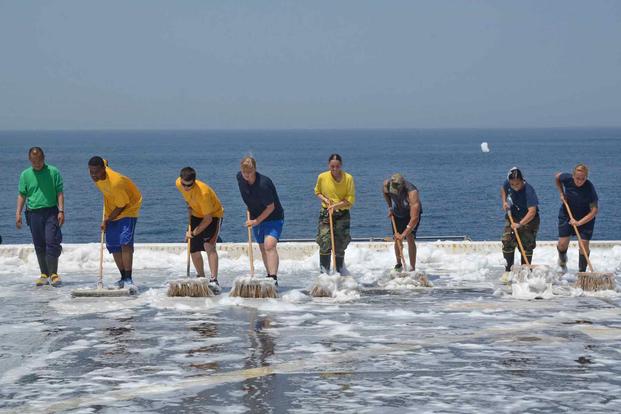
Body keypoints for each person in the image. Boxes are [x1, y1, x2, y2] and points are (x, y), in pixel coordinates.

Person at [88, 157, 142, 288]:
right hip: (113, 208)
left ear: (103, 170)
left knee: (125, 242)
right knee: (113, 245)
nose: (93, 175)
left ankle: (129, 279)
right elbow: (104, 160)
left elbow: (122, 205)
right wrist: (108, 216)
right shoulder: (99, 174)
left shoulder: (115, 182)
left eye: (96, 172)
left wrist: (107, 219)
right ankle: (123, 277)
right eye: (91, 171)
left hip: (128, 208)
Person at [16, 147, 64, 286]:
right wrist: (18, 213)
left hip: (51, 212)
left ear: (44, 158)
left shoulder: (53, 172)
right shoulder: (25, 175)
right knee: (39, 244)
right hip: (33, 213)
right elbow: (22, 195)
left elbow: (59, 192)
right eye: (34, 161)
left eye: (39, 160)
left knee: (52, 241)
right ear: (30, 160)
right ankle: (44, 273)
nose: (37, 163)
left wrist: (61, 211)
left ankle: (53, 273)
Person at [237, 156, 284, 286]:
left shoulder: (264, 184)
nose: (246, 175)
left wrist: (256, 221)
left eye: (250, 172)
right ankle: (269, 275)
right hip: (255, 216)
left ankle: (273, 278)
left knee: (270, 245)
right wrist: (250, 205)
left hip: (273, 216)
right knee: (263, 248)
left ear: (255, 170)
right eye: (244, 172)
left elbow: (271, 207)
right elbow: (247, 193)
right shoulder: (239, 178)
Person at [176, 167, 224, 285]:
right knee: (193, 248)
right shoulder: (178, 183)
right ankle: (201, 277)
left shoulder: (203, 193)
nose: (186, 188)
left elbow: (208, 219)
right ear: (181, 180)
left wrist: (193, 233)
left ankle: (213, 280)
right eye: (184, 185)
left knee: (209, 246)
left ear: (194, 181)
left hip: (213, 215)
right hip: (196, 213)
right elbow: (186, 195)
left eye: (189, 185)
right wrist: (189, 203)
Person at [314, 153, 355, 273]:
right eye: (332, 166)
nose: (335, 169)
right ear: (328, 165)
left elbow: (350, 199)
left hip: (342, 212)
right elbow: (317, 192)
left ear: (341, 165)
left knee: (340, 244)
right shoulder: (322, 177)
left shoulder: (348, 178)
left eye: (337, 166)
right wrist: (326, 201)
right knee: (325, 241)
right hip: (326, 212)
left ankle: (339, 272)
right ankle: (324, 273)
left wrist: (336, 205)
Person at [555, 163, 598, 272]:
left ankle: (582, 271)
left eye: (583, 179)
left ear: (586, 177)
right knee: (562, 244)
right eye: (578, 178)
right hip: (567, 214)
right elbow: (557, 177)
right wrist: (561, 193)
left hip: (586, 218)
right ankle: (562, 260)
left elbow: (594, 211)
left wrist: (579, 222)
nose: (580, 181)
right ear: (573, 176)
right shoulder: (567, 178)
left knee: (583, 244)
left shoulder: (589, 188)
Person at [499, 167, 540, 279]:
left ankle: (525, 271)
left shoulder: (529, 191)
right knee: (507, 240)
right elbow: (503, 189)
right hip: (513, 215)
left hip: (529, 219)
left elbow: (532, 212)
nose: (515, 186)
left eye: (517, 184)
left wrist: (520, 224)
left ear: (522, 180)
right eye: (512, 184)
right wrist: (504, 202)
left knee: (526, 245)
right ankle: (508, 270)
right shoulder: (508, 182)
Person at [382, 173, 422, 272]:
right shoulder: (387, 184)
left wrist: (404, 234)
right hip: (398, 212)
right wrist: (390, 207)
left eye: (397, 191)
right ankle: (399, 264)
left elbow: (414, 218)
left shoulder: (412, 192)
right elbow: (385, 193)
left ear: (402, 186)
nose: (395, 193)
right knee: (397, 237)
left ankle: (412, 268)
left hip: (411, 215)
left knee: (410, 237)